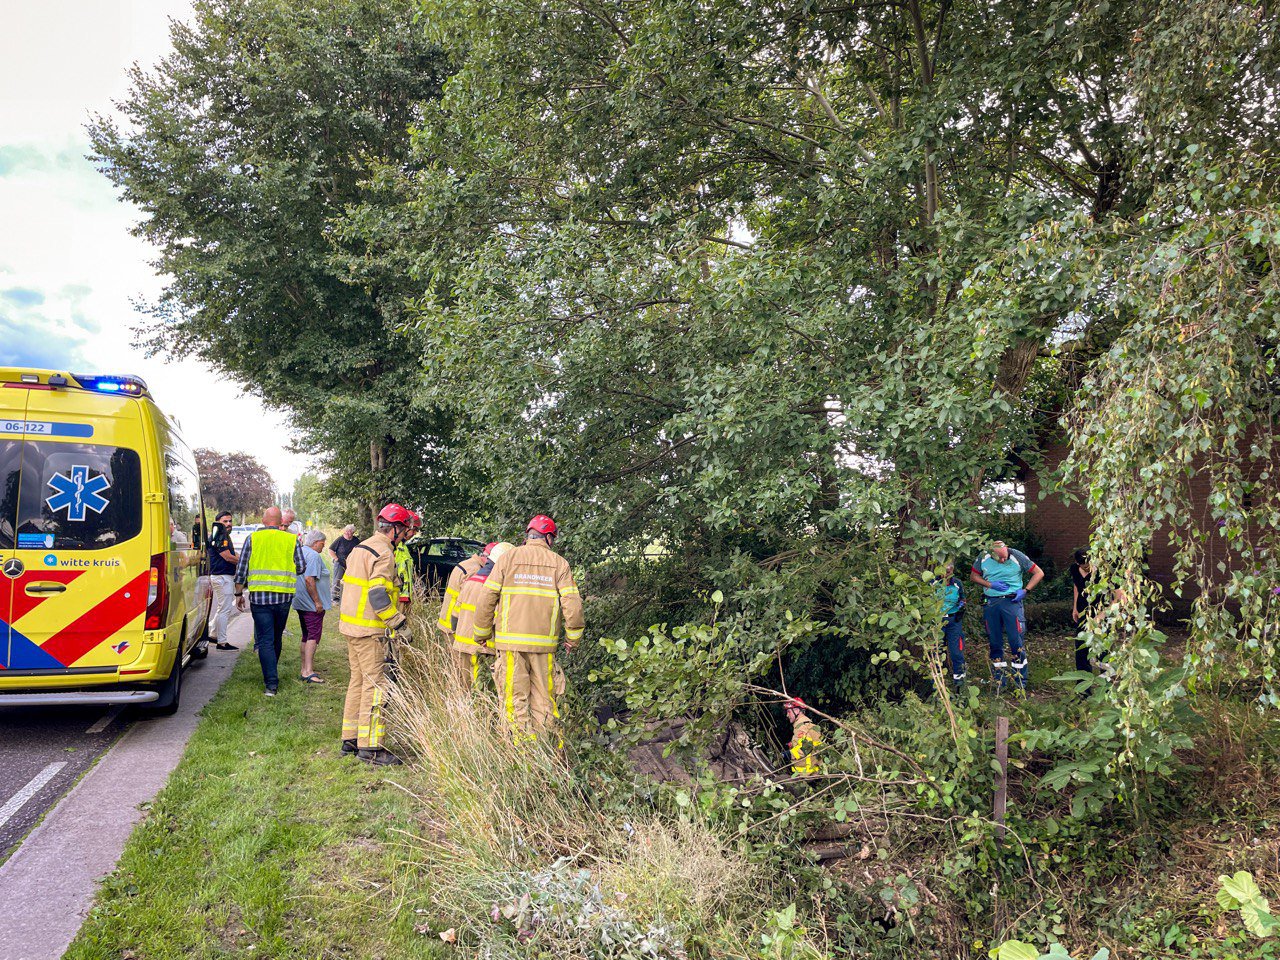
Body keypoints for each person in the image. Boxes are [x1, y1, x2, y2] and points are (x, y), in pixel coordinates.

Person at [473, 516, 584, 744]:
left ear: (529, 535)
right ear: (549, 538)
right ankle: (548, 751)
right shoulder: (559, 564)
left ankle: (521, 753)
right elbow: (572, 604)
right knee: (545, 700)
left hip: (510, 644)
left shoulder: (508, 559)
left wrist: (482, 633)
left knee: (515, 700)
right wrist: (573, 638)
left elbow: (486, 598)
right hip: (544, 647)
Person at [338, 503, 415, 765]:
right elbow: (378, 594)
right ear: (395, 529)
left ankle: (351, 737)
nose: (406, 534)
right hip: (370, 630)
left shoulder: (361, 548)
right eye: (405, 530)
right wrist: (398, 623)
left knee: (357, 682)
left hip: (351, 627)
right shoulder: (384, 552)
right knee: (376, 686)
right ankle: (371, 747)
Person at [234, 507, 306, 697]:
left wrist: (238, 593)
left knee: (265, 639)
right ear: (280, 521)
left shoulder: (253, 539)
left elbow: (241, 569)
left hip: (260, 598)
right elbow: (301, 567)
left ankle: (271, 684)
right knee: (276, 636)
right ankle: (271, 673)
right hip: (283, 597)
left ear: (264, 521)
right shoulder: (291, 540)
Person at [970, 539, 1044, 691]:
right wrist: (990, 584)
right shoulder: (983, 557)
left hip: (1012, 603)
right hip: (991, 603)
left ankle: (1020, 682)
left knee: (1016, 641)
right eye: (1000, 558)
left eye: (1005, 557)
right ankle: (999, 681)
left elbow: (1039, 573)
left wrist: (1025, 591)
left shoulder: (1017, 556)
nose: (1003, 560)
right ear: (991, 554)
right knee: (995, 641)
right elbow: (974, 577)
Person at [449, 542, 513, 689]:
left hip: (462, 645)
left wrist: (456, 636)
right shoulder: (495, 587)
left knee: (464, 688)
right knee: (481, 690)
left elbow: (455, 613)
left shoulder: (471, 581)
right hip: (484, 649)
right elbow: (498, 620)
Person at [437, 542, 492, 649]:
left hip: (447, 621)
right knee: (459, 663)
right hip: (454, 625)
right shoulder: (476, 571)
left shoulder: (468, 563)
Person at [294, 528, 332, 684]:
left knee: (306, 635)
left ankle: (304, 668)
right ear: (316, 543)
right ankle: (308, 671)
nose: (323, 547)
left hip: (300, 600)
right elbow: (310, 579)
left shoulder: (300, 551)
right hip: (311, 604)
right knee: (313, 637)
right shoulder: (314, 556)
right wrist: (317, 601)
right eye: (322, 544)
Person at [206, 510, 240, 651]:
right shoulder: (219, 535)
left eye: (230, 521)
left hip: (222, 576)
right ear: (218, 522)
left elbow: (232, 553)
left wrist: (238, 556)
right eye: (225, 521)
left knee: (222, 608)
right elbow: (227, 556)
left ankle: (214, 635)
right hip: (222, 576)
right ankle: (222, 642)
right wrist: (243, 562)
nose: (228, 524)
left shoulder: (222, 535)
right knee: (225, 609)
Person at [935, 562, 967, 689]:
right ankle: (937, 686)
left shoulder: (957, 584)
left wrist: (962, 606)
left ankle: (960, 685)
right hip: (938, 622)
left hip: (954, 621)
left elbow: (963, 599)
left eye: (948, 572)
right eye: (943, 571)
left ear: (952, 571)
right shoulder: (933, 583)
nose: (946, 575)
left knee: (956, 653)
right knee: (937, 652)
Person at [1070, 548, 1098, 674]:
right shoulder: (1074, 569)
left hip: (1100, 612)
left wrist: (1100, 617)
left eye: (1089, 566)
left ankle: (1108, 687)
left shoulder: (1102, 571)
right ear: (1077, 563)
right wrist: (1075, 607)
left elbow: (1117, 597)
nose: (1087, 569)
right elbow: (1076, 586)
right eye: (1084, 567)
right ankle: (1084, 687)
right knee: (1081, 647)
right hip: (1082, 611)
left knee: (1102, 649)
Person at [784, 697, 823, 777]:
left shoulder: (801, 727)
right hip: (815, 772)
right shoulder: (809, 724)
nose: (787, 715)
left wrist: (788, 754)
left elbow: (806, 747)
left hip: (806, 775)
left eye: (789, 711)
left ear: (797, 710)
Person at [395, 511, 421, 613]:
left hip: (404, 598)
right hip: (396, 599)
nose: (414, 533)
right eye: (414, 529)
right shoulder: (393, 548)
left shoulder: (403, 547)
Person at [329, 524, 358, 601]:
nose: (348, 533)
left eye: (350, 532)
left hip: (351, 563)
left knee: (349, 580)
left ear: (353, 532)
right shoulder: (340, 540)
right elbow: (331, 549)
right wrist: (336, 558)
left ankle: (347, 596)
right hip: (340, 562)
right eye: (346, 532)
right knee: (337, 579)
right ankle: (335, 597)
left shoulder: (356, 540)